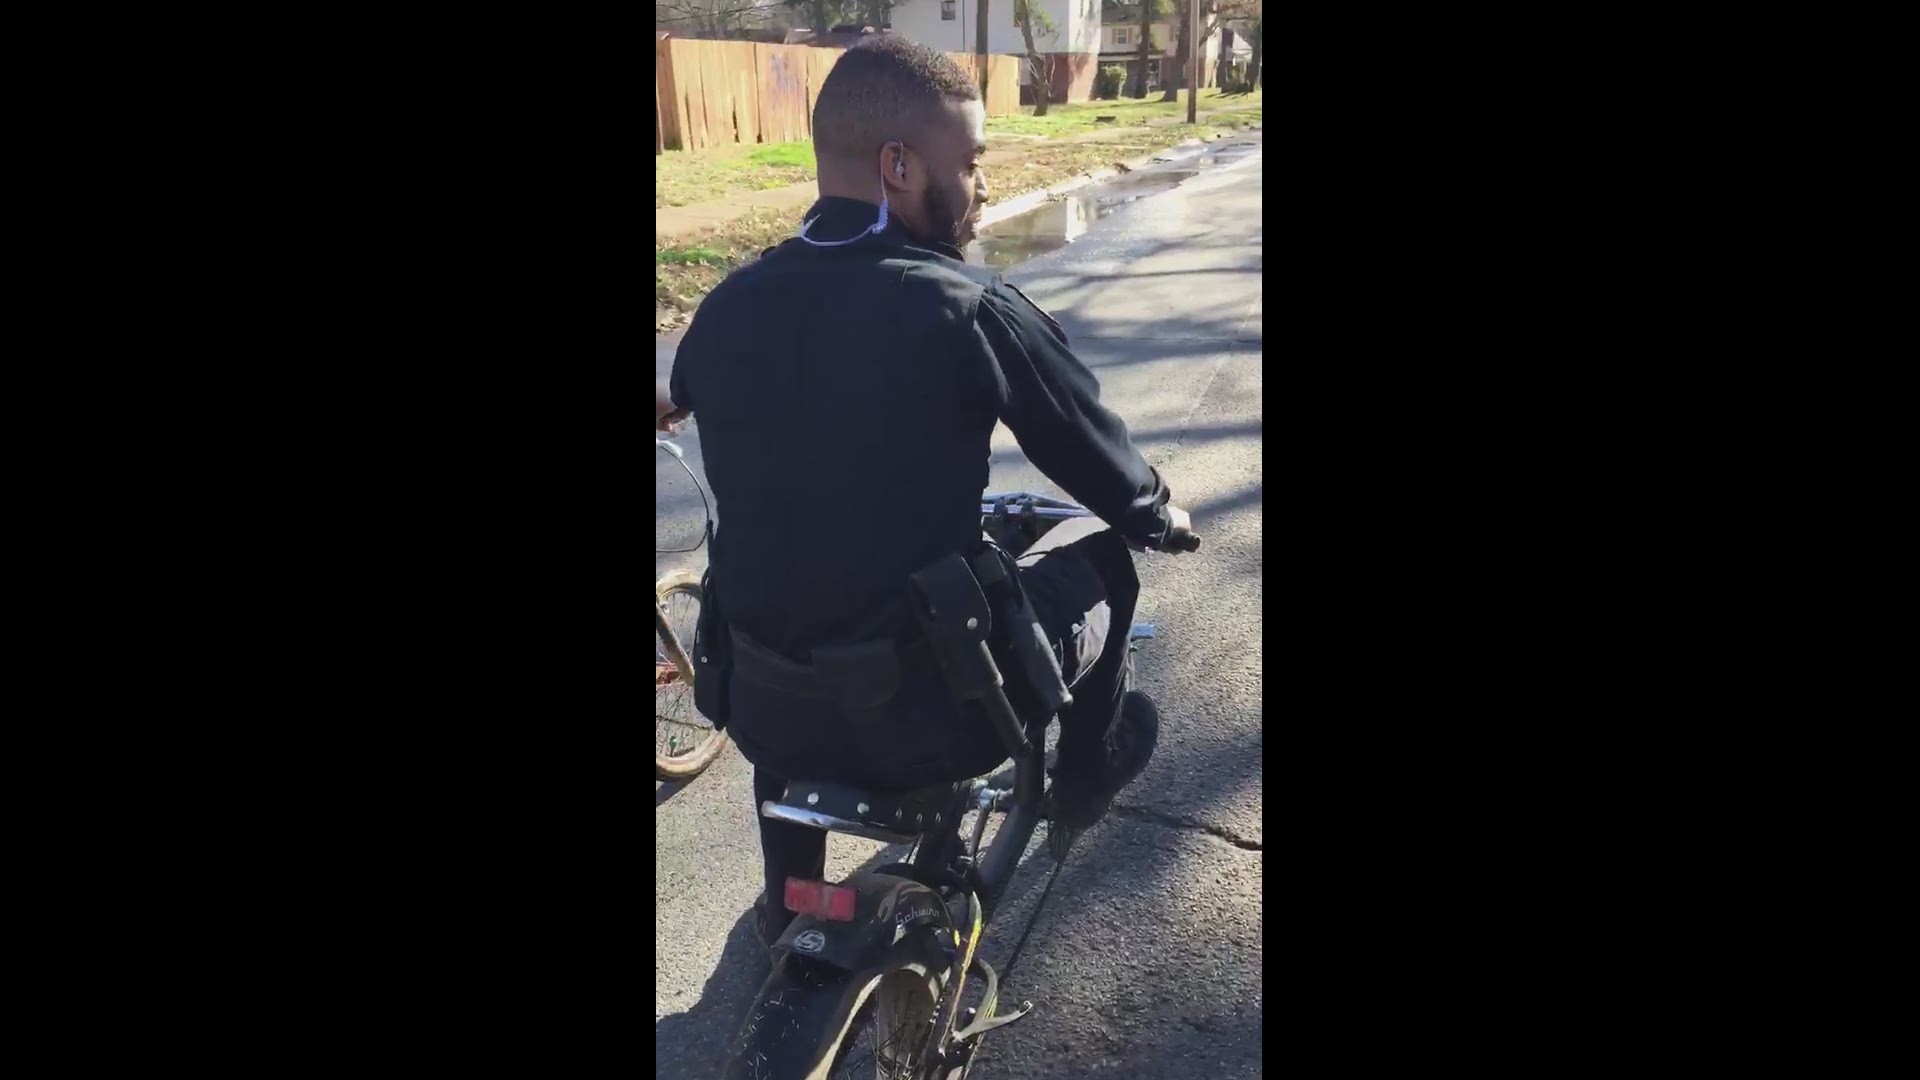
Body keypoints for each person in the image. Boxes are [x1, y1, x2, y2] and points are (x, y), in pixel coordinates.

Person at [665, 36, 1194, 950]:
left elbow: (699, 389)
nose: (981, 185)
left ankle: (785, 895)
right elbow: (1096, 458)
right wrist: (1156, 512)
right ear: (899, 166)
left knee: (793, 698)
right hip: (935, 718)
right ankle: (1082, 777)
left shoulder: (728, 305)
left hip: (759, 704)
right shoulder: (969, 307)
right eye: (972, 162)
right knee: (1110, 564)